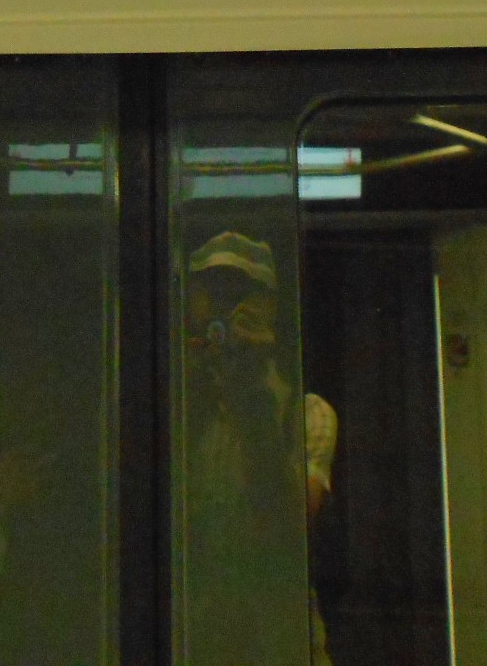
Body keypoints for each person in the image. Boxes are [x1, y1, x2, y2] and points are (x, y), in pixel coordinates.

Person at [184, 231, 339, 666]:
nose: (225, 308)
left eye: (240, 294)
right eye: (212, 293)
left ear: (269, 307)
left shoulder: (306, 414)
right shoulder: (180, 409)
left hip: (280, 646)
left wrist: (252, 396)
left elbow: (289, 526)